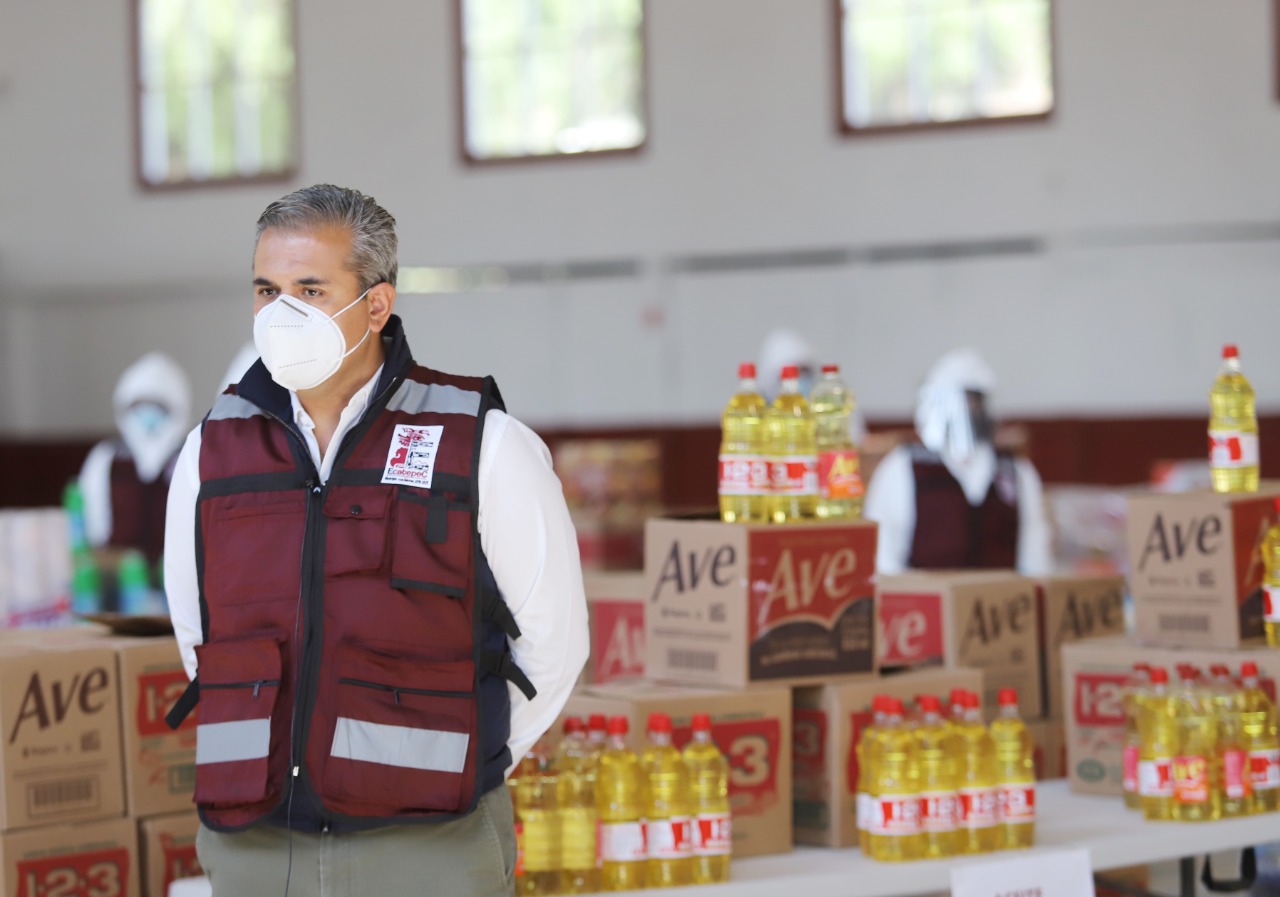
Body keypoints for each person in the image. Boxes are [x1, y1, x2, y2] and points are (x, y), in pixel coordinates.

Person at [163, 184, 588, 897]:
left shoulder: (481, 443)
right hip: (257, 845)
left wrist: (472, 762)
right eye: (267, 290)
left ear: (377, 305)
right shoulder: (212, 451)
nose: (282, 313)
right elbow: (195, 634)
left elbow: (556, 642)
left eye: (310, 290)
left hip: (431, 847)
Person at [863, 348, 1051, 575]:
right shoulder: (903, 467)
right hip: (925, 594)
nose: (967, 411)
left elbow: (1034, 548)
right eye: (958, 401)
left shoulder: (1014, 470)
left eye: (974, 401)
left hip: (1000, 594)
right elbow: (883, 553)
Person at [79, 351, 191, 570]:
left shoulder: (190, 457)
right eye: (140, 404)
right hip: (116, 576)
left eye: (159, 406)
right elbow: (91, 526)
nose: (149, 413)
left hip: (176, 573)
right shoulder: (106, 458)